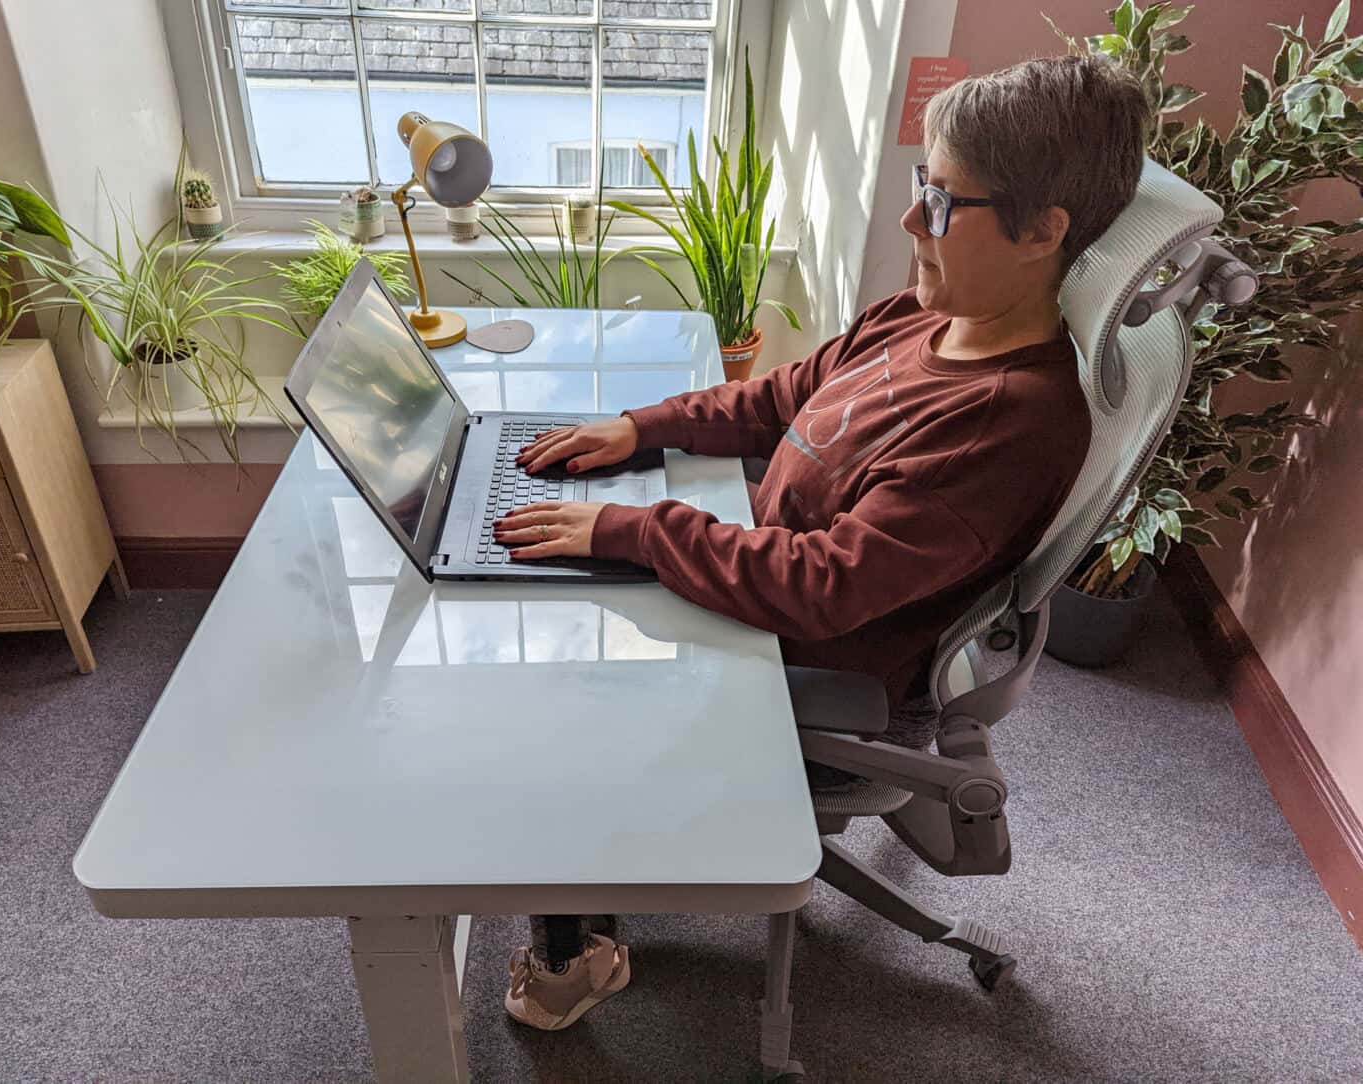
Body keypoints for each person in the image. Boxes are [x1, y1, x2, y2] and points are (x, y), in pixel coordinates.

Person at [491, 52, 1150, 1031]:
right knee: (558, 600)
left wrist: (635, 529)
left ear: (1042, 233)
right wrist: (645, 426)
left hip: (809, 659)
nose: (907, 218)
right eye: (920, 186)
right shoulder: (925, 318)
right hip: (769, 606)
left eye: (941, 199)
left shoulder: (1009, 421)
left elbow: (823, 586)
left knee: (544, 697)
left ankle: (566, 961)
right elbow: (781, 398)